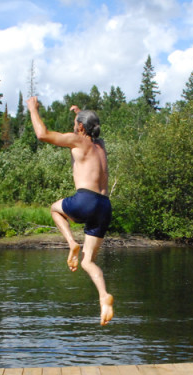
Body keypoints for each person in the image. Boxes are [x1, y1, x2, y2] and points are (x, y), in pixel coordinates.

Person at [27, 96, 114, 325]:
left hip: (85, 200)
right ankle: (104, 296)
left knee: (55, 209)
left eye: (76, 125)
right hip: (104, 206)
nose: (74, 128)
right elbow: (87, 127)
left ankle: (71, 243)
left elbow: (42, 134)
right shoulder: (101, 144)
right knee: (88, 262)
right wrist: (78, 114)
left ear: (81, 129)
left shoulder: (78, 141)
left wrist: (32, 109)